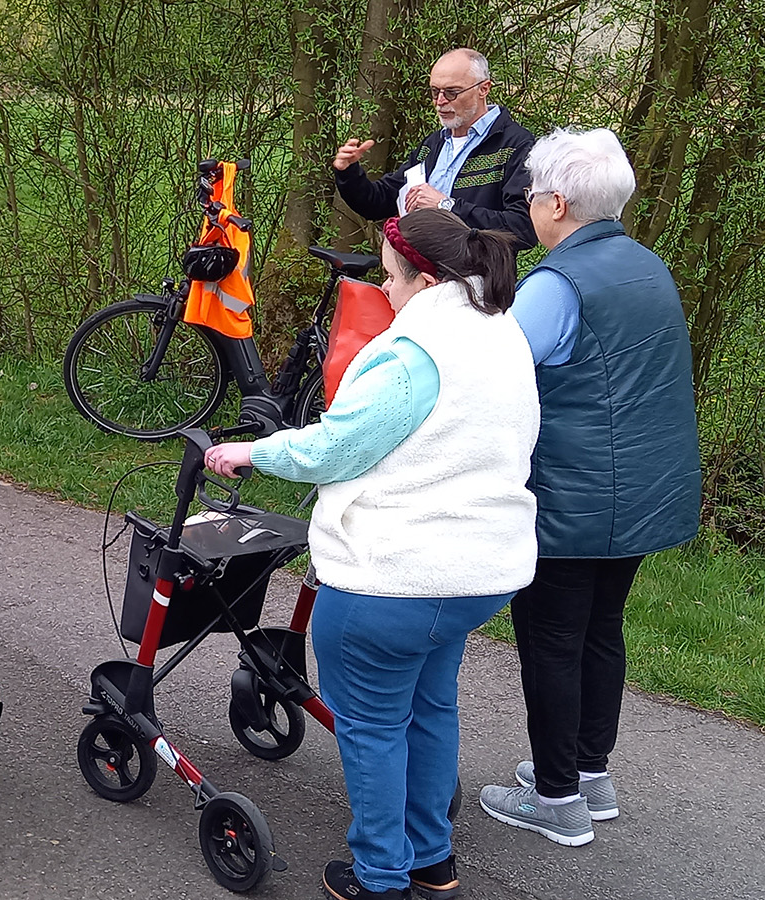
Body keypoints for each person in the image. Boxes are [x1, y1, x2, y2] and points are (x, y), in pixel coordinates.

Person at [205, 208, 540, 900]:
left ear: (424, 278)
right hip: (476, 574)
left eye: (389, 278)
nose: (383, 292)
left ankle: (380, 877)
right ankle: (431, 862)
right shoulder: (501, 331)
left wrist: (251, 452)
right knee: (429, 709)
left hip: (394, 577)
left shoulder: (414, 354)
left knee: (374, 729)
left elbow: (337, 447)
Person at [479, 128, 701, 847]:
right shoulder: (646, 264)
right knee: (601, 629)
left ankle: (555, 798)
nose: (528, 208)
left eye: (532, 196)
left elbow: (496, 373)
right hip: (645, 490)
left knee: (550, 640)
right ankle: (588, 775)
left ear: (559, 203)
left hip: (575, 498)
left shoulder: (556, 285)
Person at [333, 48, 537, 248]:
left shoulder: (516, 145)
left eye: (452, 92)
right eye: (434, 92)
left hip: (476, 277)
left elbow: (523, 228)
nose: (440, 102)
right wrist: (349, 172)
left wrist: (447, 206)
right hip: (419, 275)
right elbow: (378, 202)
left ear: (483, 89)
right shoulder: (432, 146)